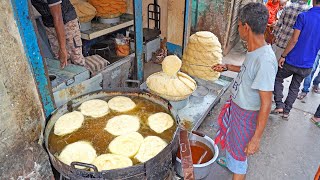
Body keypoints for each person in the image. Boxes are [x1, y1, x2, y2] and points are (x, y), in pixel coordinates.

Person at [212, 3, 278, 179]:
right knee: (233, 145)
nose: (238, 28)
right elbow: (246, 70)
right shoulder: (254, 50)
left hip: (246, 117)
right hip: (238, 108)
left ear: (246, 27)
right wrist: (226, 66)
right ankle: (231, 160)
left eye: (239, 25)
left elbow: (266, 103)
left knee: (240, 158)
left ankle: (236, 168)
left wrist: (256, 139)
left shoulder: (265, 60)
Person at [272, 0, 320, 119]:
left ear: (313, 1)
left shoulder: (304, 16)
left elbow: (294, 40)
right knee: (295, 86)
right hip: (308, 64)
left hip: (292, 59)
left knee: (277, 78)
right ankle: (286, 112)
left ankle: (279, 104)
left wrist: (283, 56)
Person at [31, 0, 85, 68]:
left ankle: (83, 76)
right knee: (61, 60)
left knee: (76, 58)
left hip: (66, 23)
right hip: (49, 25)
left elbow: (58, 18)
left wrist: (62, 48)